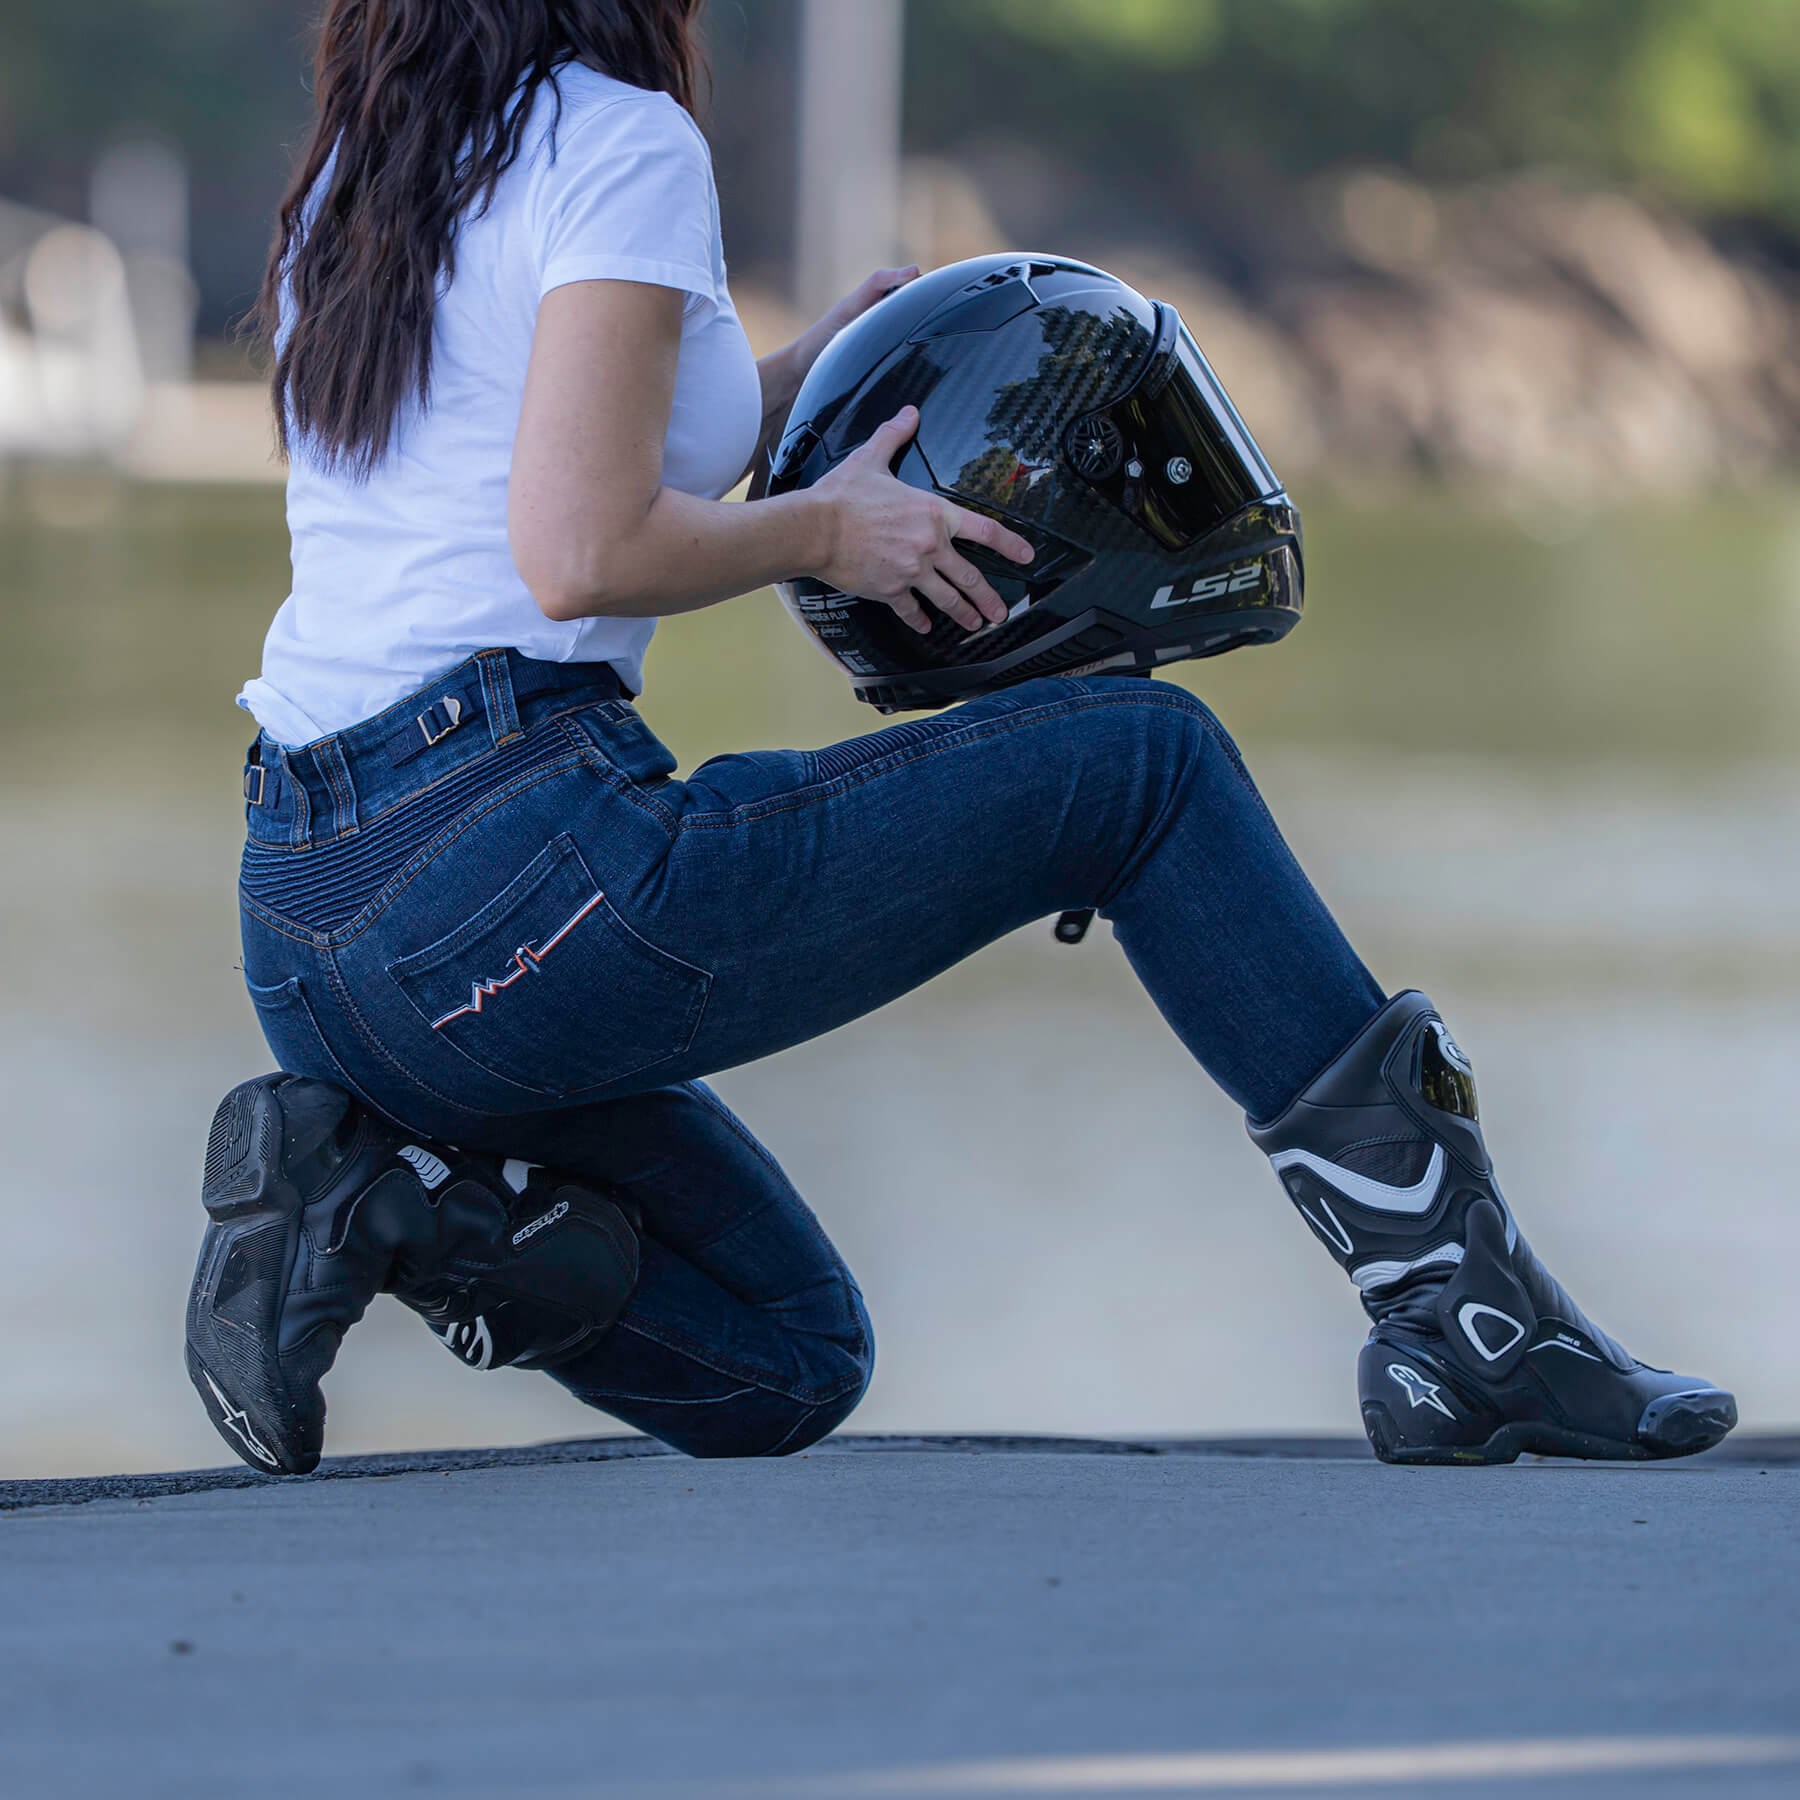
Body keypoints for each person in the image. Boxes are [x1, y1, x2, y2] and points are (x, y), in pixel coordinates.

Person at [186, 0, 1735, 1476]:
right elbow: (579, 550)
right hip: (515, 880)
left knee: (792, 1362)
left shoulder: (379, 163)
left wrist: (810, 377)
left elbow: (538, 458)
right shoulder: (616, 138)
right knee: (1146, 767)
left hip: (314, 923)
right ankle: (1473, 1327)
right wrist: (827, 534)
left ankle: (383, 1204)